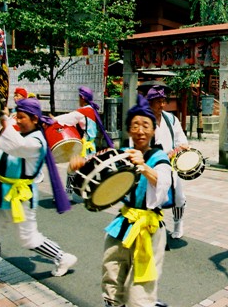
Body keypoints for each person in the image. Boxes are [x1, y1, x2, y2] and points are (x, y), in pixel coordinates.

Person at [70, 94, 172, 307]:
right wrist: (81, 165)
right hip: (123, 223)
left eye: (146, 125)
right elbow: (97, 167)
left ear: (153, 130)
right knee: (112, 275)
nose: (140, 130)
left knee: (140, 288)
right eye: (135, 125)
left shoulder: (160, 157)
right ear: (128, 130)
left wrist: (144, 167)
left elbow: (163, 184)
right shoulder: (122, 153)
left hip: (149, 228)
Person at [0, 98, 76, 296]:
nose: (17, 120)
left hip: (21, 196)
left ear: (35, 118)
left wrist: (5, 121)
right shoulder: (18, 135)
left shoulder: (37, 141)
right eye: (16, 116)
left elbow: (15, 146)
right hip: (0, 191)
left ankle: (62, 257)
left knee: (28, 239)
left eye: (21, 117)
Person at [53, 86, 114, 200]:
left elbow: (68, 118)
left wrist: (53, 119)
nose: (78, 100)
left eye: (79, 97)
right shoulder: (92, 109)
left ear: (82, 97)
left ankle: (69, 194)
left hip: (84, 147)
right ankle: (89, 192)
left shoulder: (83, 111)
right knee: (88, 170)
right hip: (91, 145)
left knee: (72, 169)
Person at [146, 85, 189, 239]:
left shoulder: (171, 119)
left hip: (170, 165)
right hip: (150, 166)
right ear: (149, 102)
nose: (162, 105)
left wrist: (178, 149)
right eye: (158, 101)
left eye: (163, 101)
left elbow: (182, 141)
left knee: (178, 197)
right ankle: (153, 227)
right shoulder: (144, 120)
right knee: (153, 198)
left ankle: (178, 224)